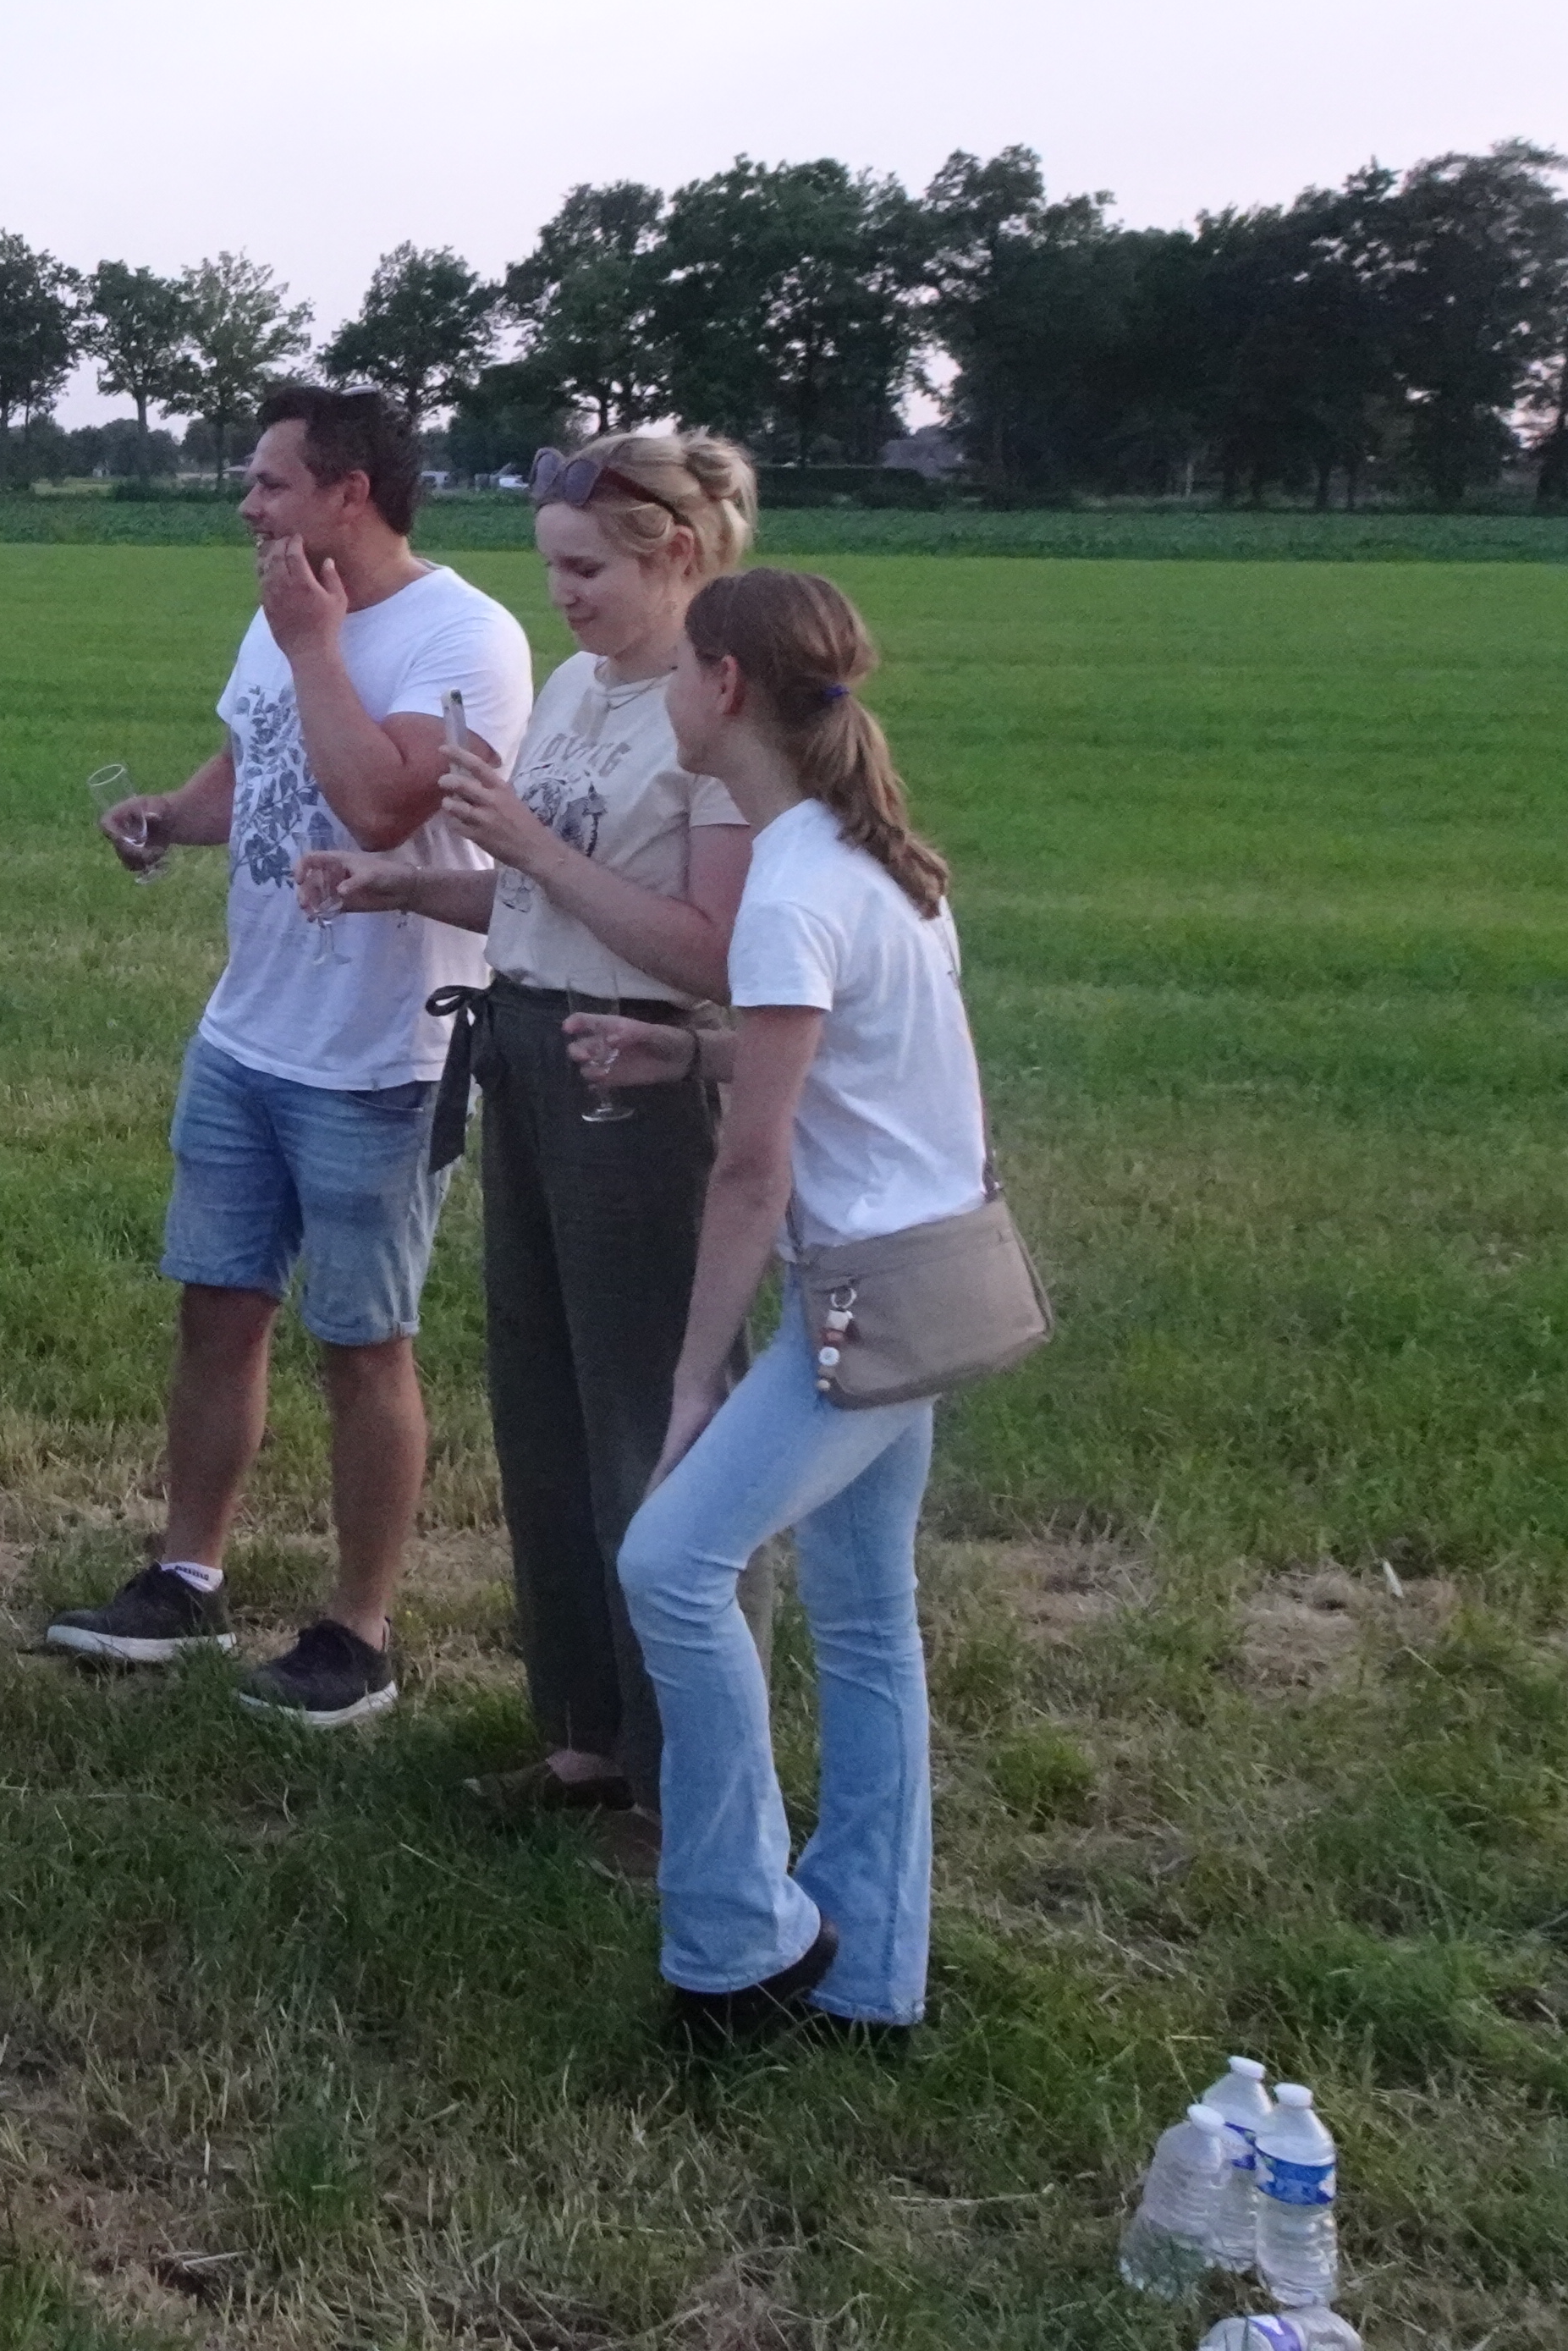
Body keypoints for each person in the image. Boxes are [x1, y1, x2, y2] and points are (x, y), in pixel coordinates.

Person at [296, 427, 762, 1873]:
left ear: (677, 556)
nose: (560, 595)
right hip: (529, 1055)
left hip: (646, 1079)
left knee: (653, 1431)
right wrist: (402, 885)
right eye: (552, 566)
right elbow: (534, 895)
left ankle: (687, 1790)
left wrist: (529, 849)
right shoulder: (574, 688)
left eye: (586, 571)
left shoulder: (725, 713)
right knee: (546, 1417)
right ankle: (584, 1735)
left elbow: (714, 952)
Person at [47, 386, 533, 1726]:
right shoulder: (284, 613)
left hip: (379, 1054)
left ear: (349, 494)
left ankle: (358, 1635)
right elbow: (253, 758)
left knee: (363, 1342)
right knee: (217, 1308)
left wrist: (315, 640)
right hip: (247, 1031)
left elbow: (381, 804)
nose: (247, 505)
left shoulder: (463, 635)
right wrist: (170, 812)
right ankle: (187, 1580)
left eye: (269, 483)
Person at [578, 566, 988, 2040]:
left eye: (683, 672)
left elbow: (754, 1171)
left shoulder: (793, 887)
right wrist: (685, 1053)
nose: (669, 698)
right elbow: (846, 1069)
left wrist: (695, 1382)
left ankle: (743, 1942)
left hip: (862, 1302)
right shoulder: (873, 864)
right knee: (869, 1621)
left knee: (671, 1565)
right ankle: (873, 1973)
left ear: (728, 686)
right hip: (939, 1278)